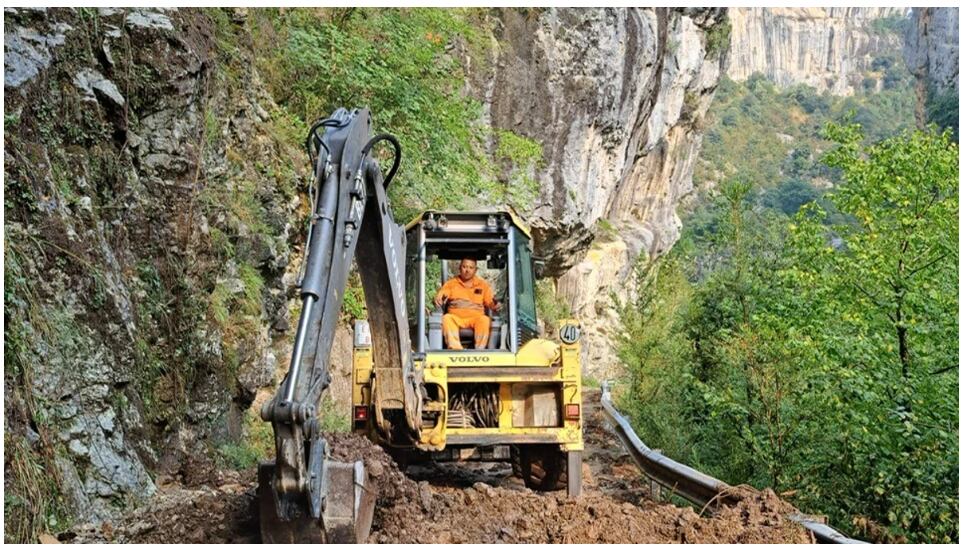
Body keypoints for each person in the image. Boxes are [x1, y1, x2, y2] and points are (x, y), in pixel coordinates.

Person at [433, 258, 502, 350]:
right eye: (464, 267)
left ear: (475, 270)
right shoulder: (451, 284)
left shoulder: (483, 285)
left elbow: (490, 302)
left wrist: (496, 305)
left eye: (471, 267)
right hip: (456, 318)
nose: (467, 270)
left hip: (476, 318)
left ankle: (480, 350)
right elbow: (443, 293)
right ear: (460, 268)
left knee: (485, 320)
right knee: (446, 318)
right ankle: (455, 349)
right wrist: (439, 297)